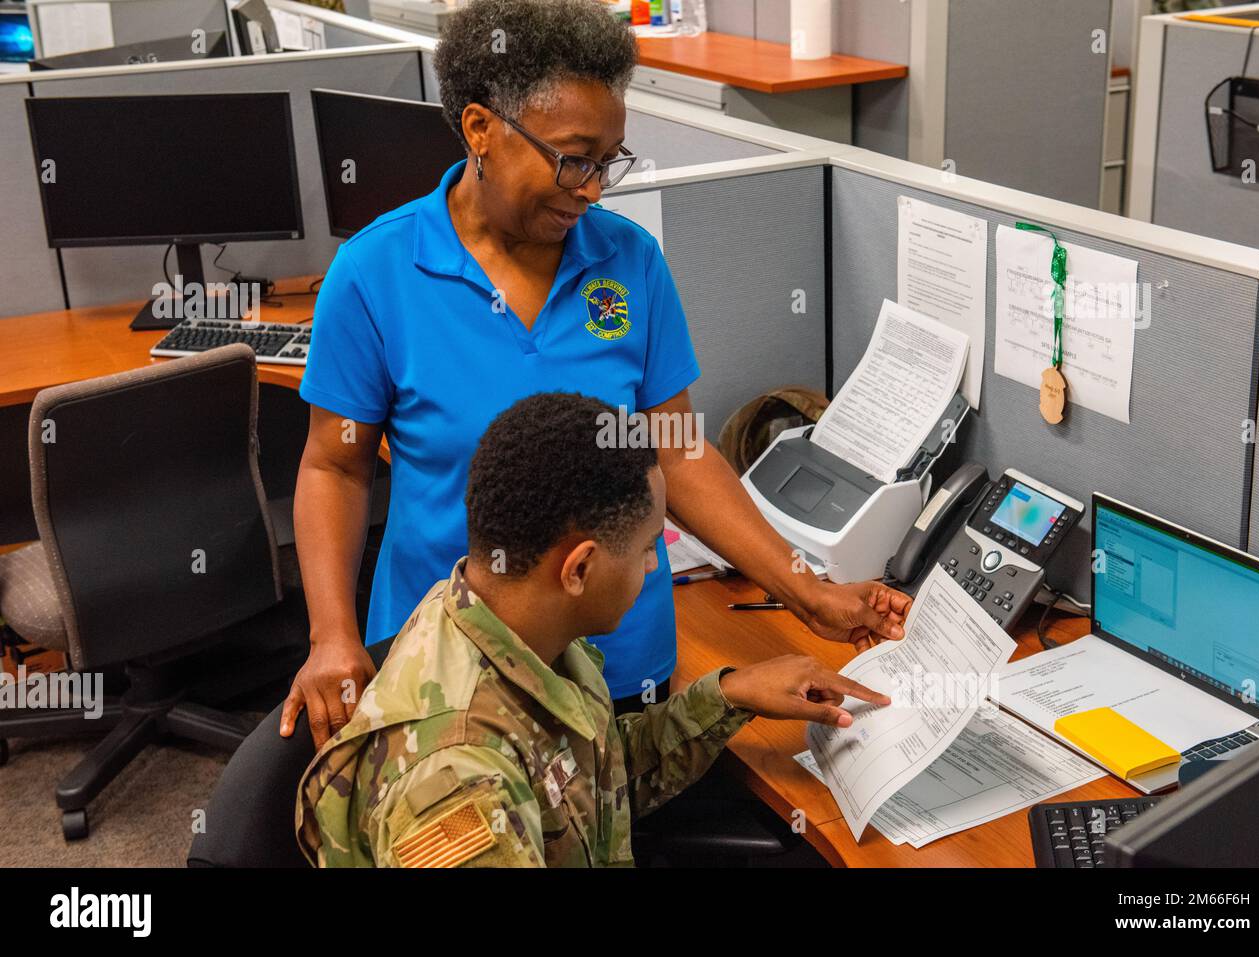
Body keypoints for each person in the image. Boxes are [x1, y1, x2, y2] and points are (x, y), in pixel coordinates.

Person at [283, 0, 913, 748]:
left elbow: (674, 450)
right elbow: (336, 465)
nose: (591, 189)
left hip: (618, 660)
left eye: (608, 160)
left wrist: (806, 591)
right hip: (449, 672)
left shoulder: (628, 261)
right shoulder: (375, 273)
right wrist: (331, 634)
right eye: (572, 157)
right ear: (481, 130)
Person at [295, 393, 900, 867]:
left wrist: (730, 694)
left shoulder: (502, 620)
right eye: (645, 549)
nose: (652, 565)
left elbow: (585, 782)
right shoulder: (456, 788)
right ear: (579, 568)